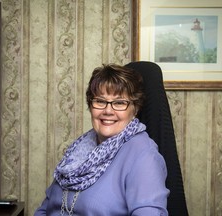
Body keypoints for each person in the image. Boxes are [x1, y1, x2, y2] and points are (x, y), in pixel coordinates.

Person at [34, 63, 169, 216]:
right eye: (100, 101)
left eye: (119, 103)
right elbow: (46, 208)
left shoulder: (143, 155)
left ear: (135, 109)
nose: (108, 111)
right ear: (91, 105)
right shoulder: (79, 149)